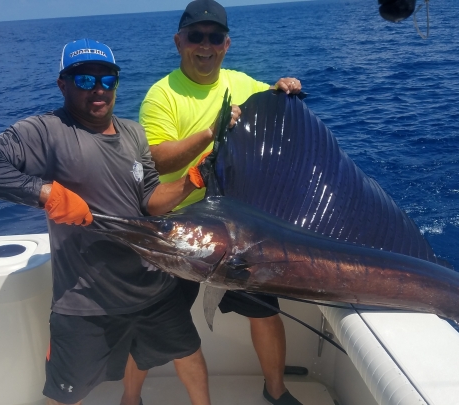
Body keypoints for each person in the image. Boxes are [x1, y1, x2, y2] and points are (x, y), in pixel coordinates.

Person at [0, 39, 211, 405]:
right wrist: (46, 194)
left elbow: (150, 201)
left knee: (190, 356)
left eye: (107, 80)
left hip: (154, 288)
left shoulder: (134, 133)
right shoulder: (46, 131)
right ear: (63, 84)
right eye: (85, 80)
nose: (98, 90)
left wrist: (191, 181)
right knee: (64, 396)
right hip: (87, 300)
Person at [138, 1, 304, 404]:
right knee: (148, 319)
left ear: (227, 44)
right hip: (179, 228)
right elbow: (158, 158)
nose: (205, 46)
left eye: (214, 38)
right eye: (196, 37)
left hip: (235, 230)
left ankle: (276, 391)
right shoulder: (162, 95)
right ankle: (130, 398)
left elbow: (276, 105)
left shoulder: (241, 83)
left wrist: (284, 89)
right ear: (179, 42)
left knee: (265, 311)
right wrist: (209, 134)